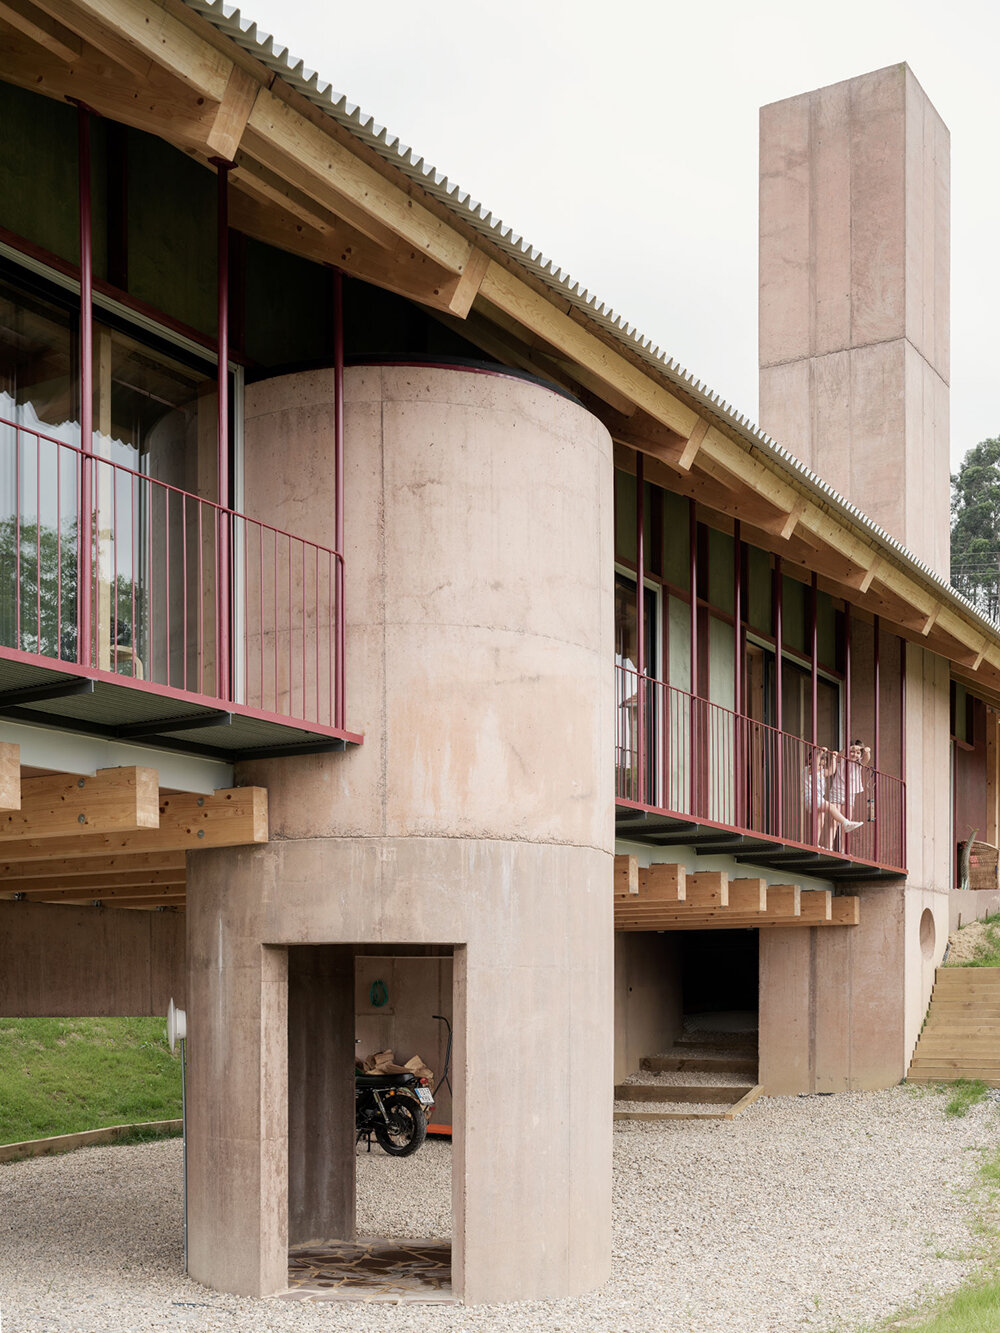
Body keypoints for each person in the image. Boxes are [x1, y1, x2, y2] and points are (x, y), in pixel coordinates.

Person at [802, 747, 864, 849]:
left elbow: (831, 771)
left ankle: (815, 844)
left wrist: (834, 758)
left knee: (820, 822)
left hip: (819, 799)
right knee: (831, 807)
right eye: (820, 759)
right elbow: (815, 765)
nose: (822, 761)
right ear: (810, 760)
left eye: (824, 759)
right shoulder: (808, 770)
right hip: (811, 798)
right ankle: (846, 823)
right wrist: (820, 753)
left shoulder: (821, 772)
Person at [829, 740, 871, 829]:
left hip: (850, 793)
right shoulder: (842, 759)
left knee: (848, 822)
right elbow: (840, 754)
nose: (854, 754)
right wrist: (850, 747)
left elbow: (866, 759)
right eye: (852, 751)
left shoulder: (859, 763)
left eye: (858, 753)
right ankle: (829, 844)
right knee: (833, 823)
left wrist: (866, 751)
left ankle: (844, 843)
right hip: (837, 791)